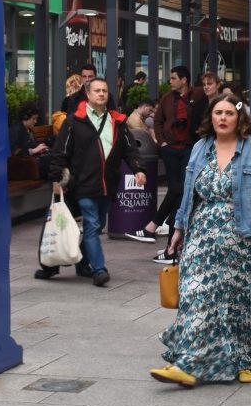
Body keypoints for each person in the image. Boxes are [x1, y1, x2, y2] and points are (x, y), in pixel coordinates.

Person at [151, 93, 251, 387]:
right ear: (210, 117)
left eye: (229, 113)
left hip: (250, 238)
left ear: (240, 118)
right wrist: (178, 228)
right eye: (218, 113)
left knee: (246, 303)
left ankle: (247, 360)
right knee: (195, 295)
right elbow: (188, 191)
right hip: (202, 236)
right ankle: (187, 362)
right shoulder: (200, 148)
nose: (223, 118)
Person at [45, 77, 145, 286]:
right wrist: (55, 178)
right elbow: (60, 151)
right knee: (91, 225)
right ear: (88, 95)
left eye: (104, 91)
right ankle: (99, 269)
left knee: (97, 226)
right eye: (97, 91)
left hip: (108, 184)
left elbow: (130, 149)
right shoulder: (74, 121)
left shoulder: (117, 121)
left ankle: (82, 264)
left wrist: (138, 170)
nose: (101, 94)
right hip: (83, 183)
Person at [152, 66, 203, 244]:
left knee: (181, 189)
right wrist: (162, 143)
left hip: (189, 148)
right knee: (177, 188)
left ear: (184, 80)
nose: (170, 81)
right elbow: (158, 121)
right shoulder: (167, 98)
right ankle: (168, 236)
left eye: (173, 78)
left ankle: (156, 227)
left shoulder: (198, 95)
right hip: (171, 149)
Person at [121, 104, 166, 242]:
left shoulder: (138, 119)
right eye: (150, 109)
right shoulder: (135, 120)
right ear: (144, 107)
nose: (151, 112)